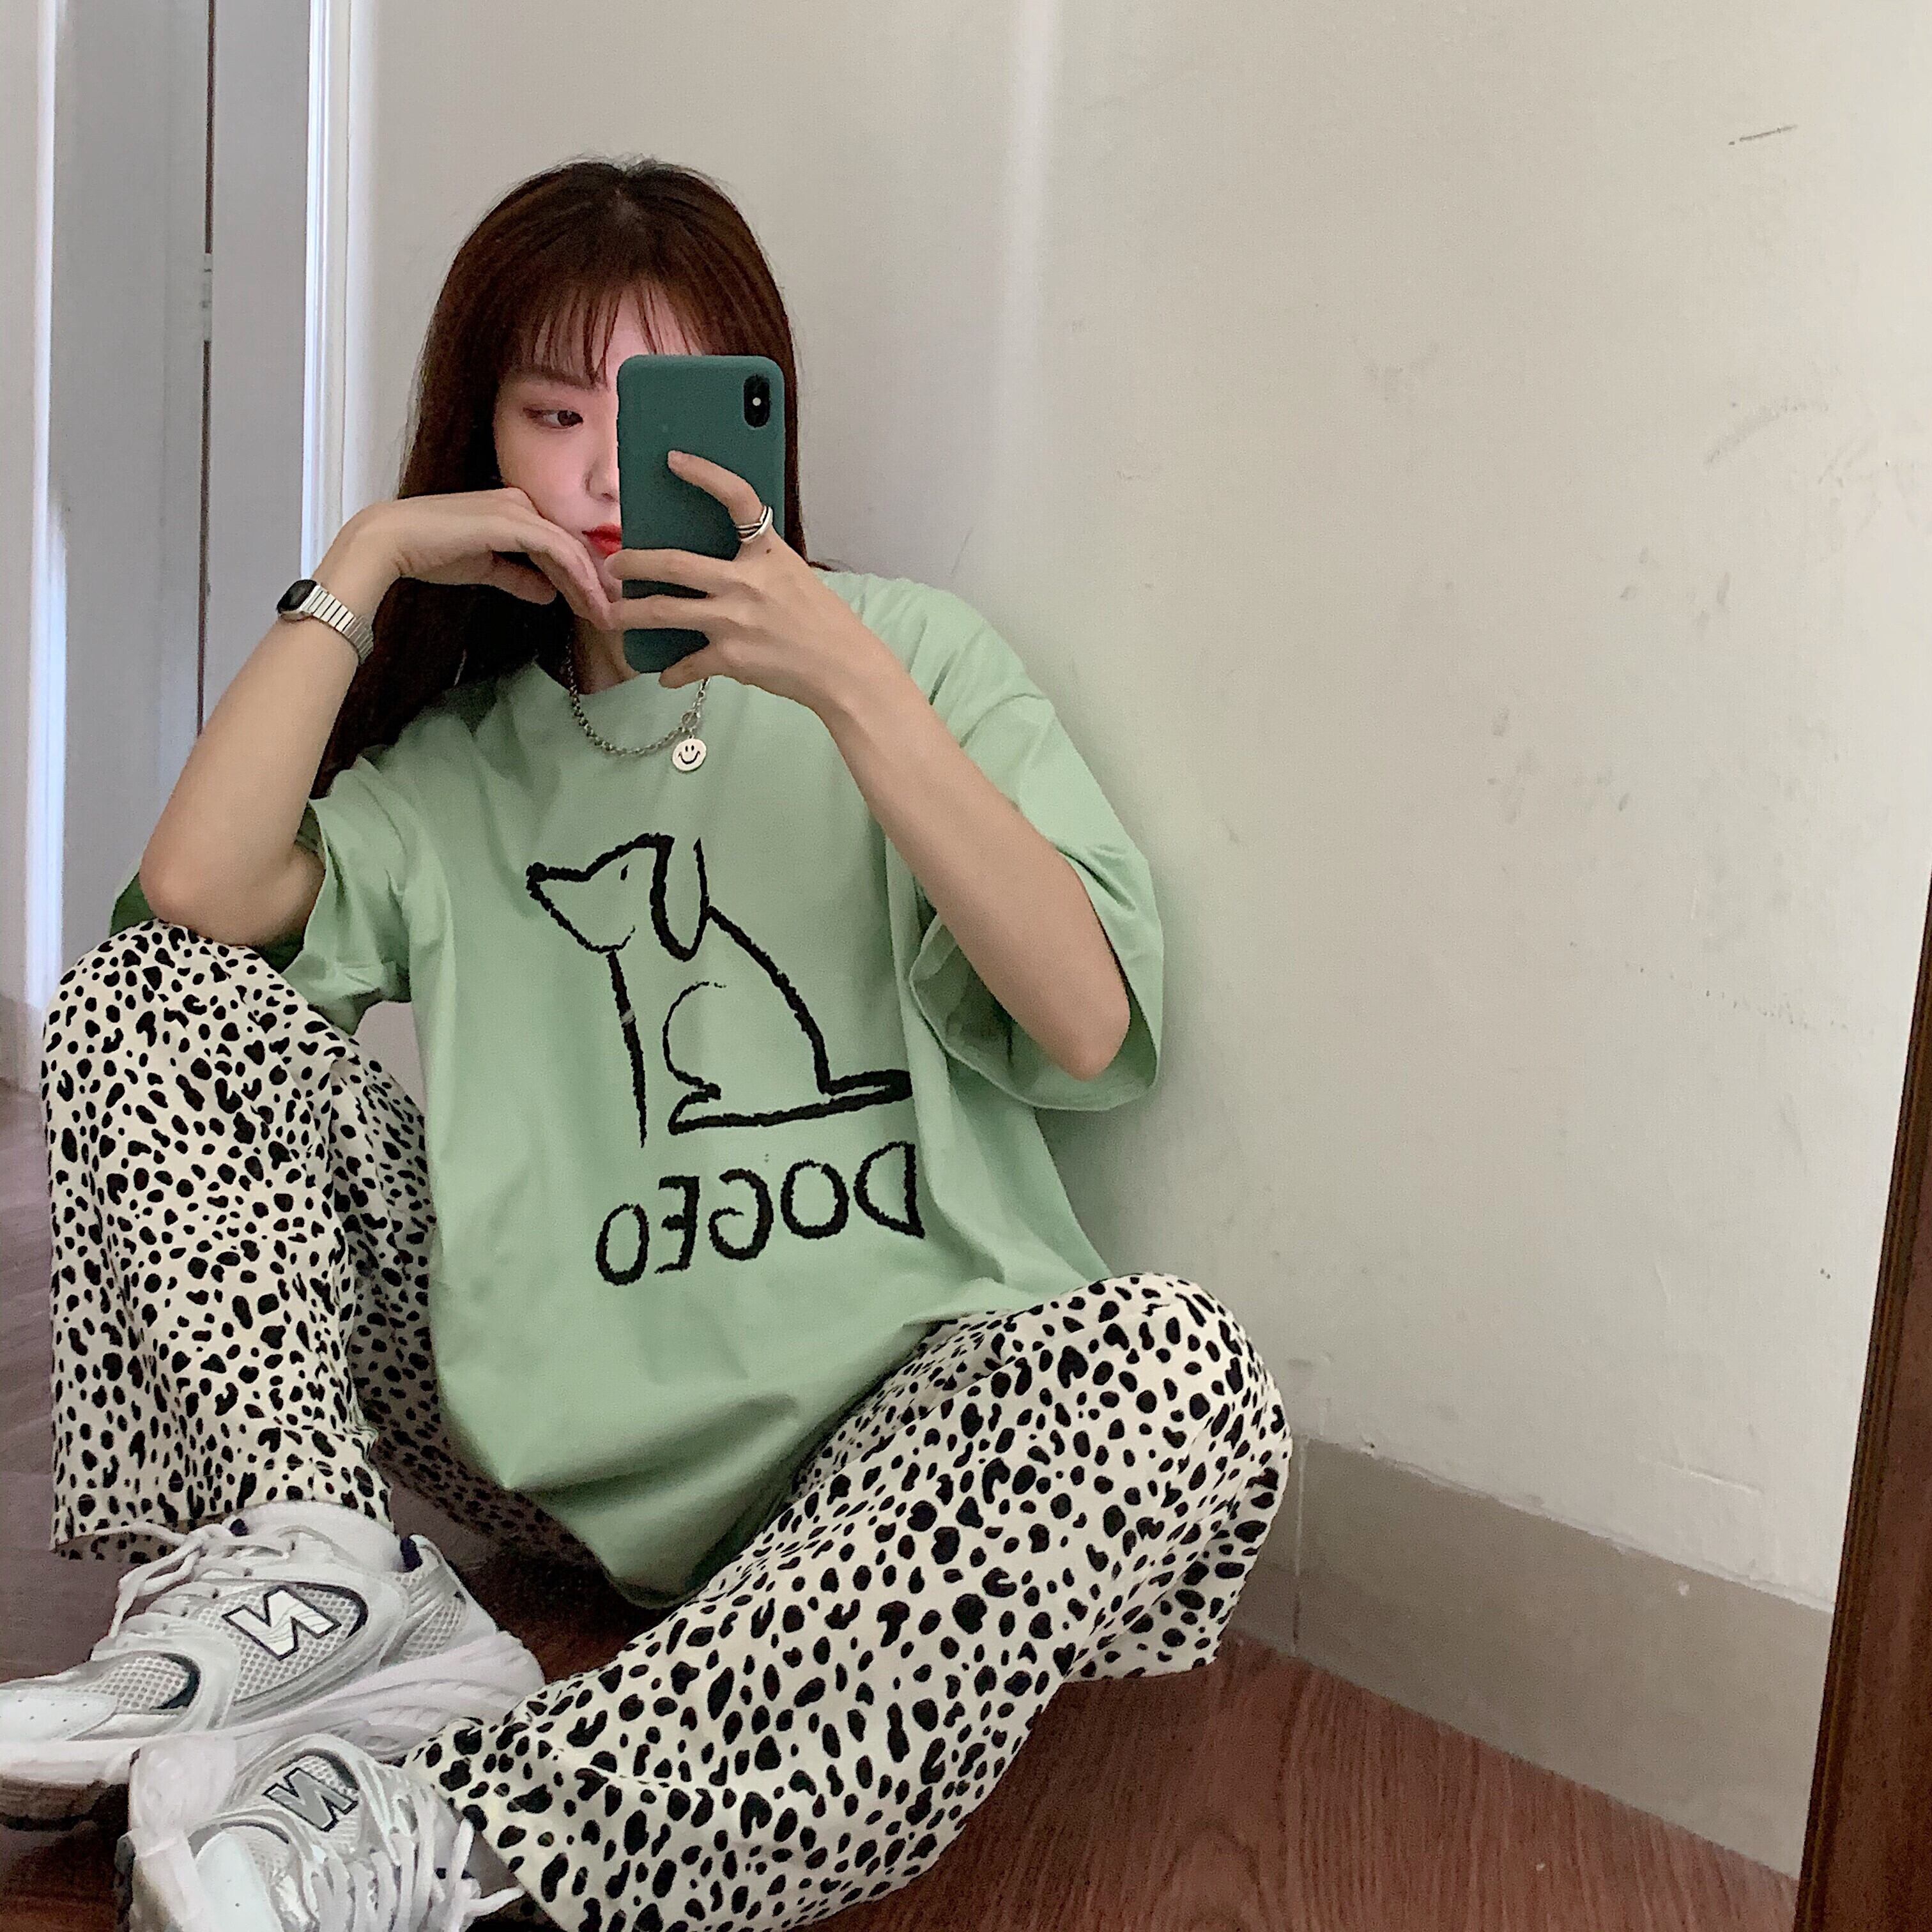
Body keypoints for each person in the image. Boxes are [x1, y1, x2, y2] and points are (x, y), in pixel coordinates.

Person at [15, 155, 1292, 1931]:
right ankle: (323, 1585)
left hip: (894, 1457)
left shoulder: (916, 656)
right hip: (542, 1450)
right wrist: (367, 559)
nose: (609, 476)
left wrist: (846, 682)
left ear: (759, 418)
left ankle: (459, 1834)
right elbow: (196, 899)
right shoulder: (461, 763)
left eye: (661, 416)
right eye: (555, 417)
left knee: (1176, 1376)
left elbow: (1083, 1024)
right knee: (147, 990)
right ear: (485, 439)